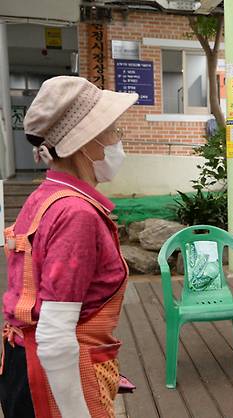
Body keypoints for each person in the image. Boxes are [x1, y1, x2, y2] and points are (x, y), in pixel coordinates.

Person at [0, 76, 137, 418]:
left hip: (23, 359)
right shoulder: (76, 212)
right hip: (56, 374)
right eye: (112, 131)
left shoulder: (45, 196)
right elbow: (55, 334)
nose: (118, 140)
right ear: (85, 142)